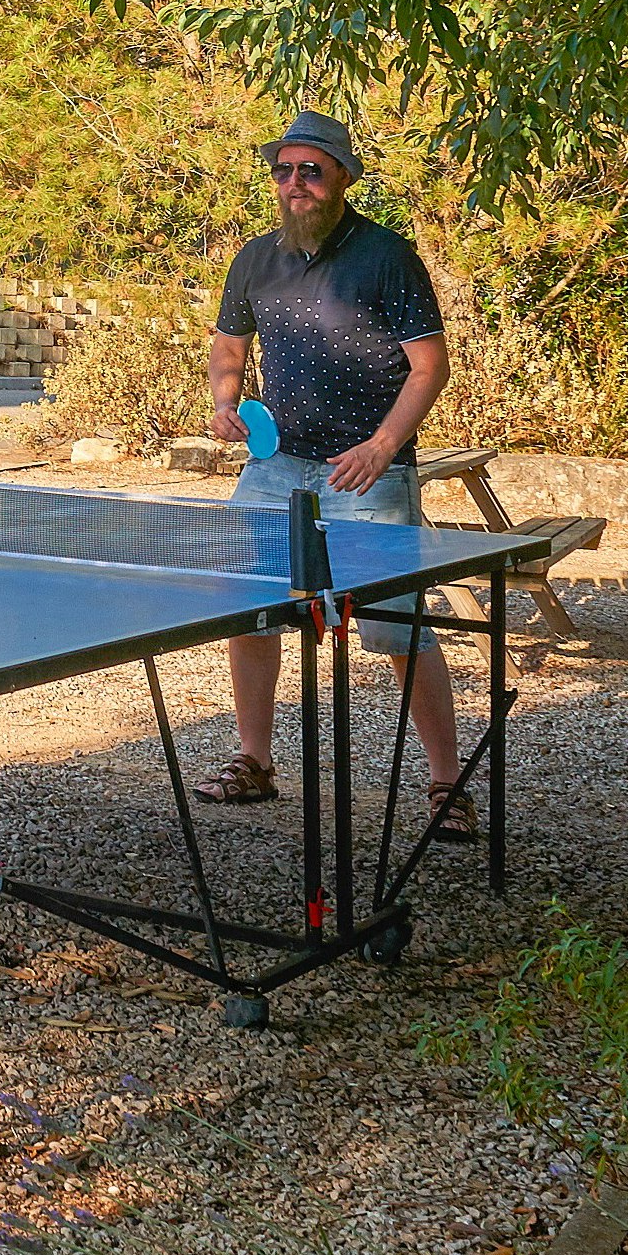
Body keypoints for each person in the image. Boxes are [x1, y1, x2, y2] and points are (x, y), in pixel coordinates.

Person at [198, 110, 473, 841]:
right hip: (275, 467)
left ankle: (449, 783)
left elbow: (429, 366)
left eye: (311, 170)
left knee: (396, 627)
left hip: (366, 473)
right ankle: (254, 761)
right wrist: (226, 403)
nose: (295, 183)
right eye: (283, 170)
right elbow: (228, 349)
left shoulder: (387, 256)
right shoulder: (255, 257)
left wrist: (383, 446)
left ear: (343, 177)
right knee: (252, 612)